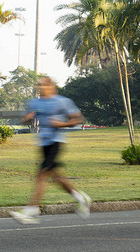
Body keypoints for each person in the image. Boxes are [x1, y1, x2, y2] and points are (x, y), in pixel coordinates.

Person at [10, 77, 91, 224]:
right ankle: (81, 198)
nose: (39, 88)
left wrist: (62, 124)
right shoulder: (35, 102)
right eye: (38, 85)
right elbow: (25, 119)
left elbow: (78, 119)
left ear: (50, 86)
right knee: (57, 178)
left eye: (42, 85)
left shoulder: (62, 101)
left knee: (41, 174)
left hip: (56, 142)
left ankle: (31, 210)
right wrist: (27, 119)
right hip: (43, 143)